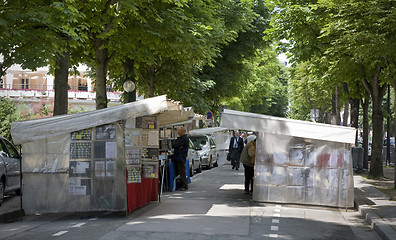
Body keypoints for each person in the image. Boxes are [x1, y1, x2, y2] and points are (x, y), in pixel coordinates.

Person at [172, 126, 189, 191]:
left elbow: (176, 145)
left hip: (181, 157)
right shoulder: (180, 138)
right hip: (178, 157)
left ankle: (184, 186)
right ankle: (181, 185)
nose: (177, 132)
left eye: (179, 130)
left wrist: (178, 146)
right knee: (179, 172)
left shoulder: (184, 139)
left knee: (182, 172)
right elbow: (174, 145)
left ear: (182, 131)